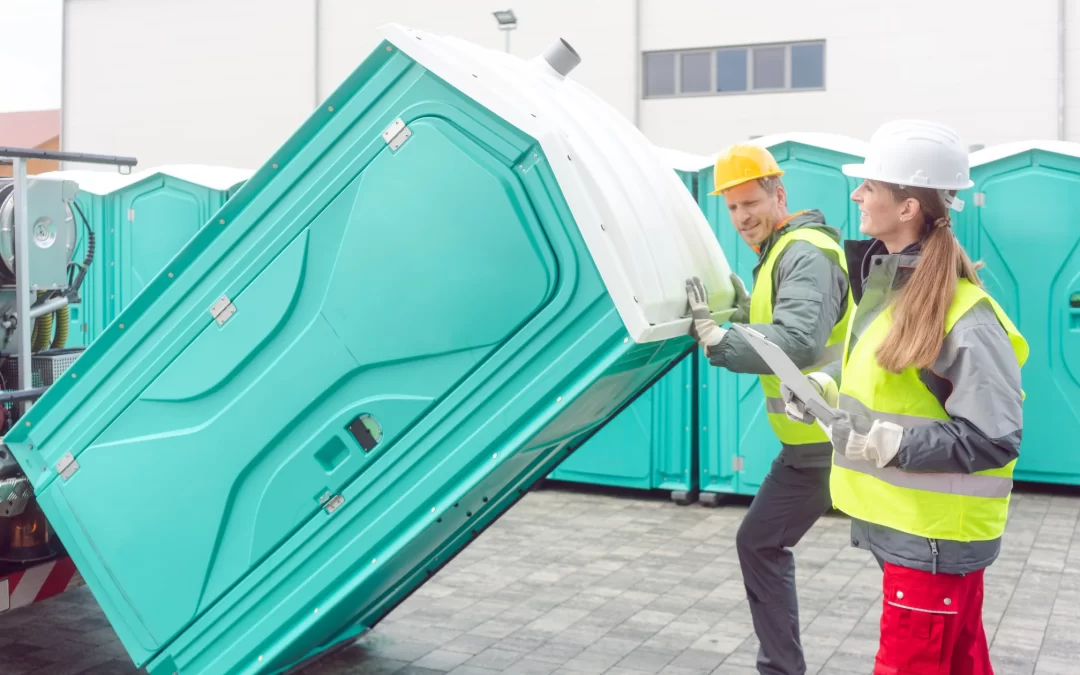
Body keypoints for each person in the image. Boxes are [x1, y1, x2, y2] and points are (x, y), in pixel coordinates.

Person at [782, 119, 1027, 675]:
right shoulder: (890, 288)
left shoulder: (964, 314)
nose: (857, 195)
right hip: (914, 535)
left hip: (935, 542)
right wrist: (819, 393)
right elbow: (882, 386)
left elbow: (995, 436)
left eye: (870, 185)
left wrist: (890, 443)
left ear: (908, 206)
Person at [685, 143, 853, 675]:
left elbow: (800, 340)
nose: (741, 217)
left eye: (751, 202)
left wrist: (722, 340)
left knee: (900, 555)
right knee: (758, 542)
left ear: (779, 194)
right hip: (808, 448)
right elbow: (785, 323)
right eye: (732, 208)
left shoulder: (804, 250)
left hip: (833, 440)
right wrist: (739, 310)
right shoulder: (780, 253)